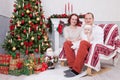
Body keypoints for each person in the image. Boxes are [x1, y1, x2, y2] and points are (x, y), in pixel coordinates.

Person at [63, 12, 104, 77]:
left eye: (89, 18)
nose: (88, 20)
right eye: (86, 18)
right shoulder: (82, 29)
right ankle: (72, 66)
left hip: (92, 45)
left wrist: (89, 39)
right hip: (82, 44)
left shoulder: (98, 29)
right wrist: (75, 43)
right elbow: (80, 39)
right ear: (84, 20)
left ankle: (76, 70)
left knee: (83, 42)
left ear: (93, 19)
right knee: (67, 43)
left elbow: (100, 42)